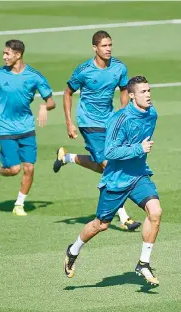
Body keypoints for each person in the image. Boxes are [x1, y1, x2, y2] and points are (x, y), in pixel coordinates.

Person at [63, 76, 161, 286]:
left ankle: (143, 263)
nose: (148, 95)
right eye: (143, 92)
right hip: (116, 180)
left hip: (138, 175)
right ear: (132, 95)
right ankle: (73, 250)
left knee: (155, 212)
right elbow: (109, 151)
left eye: (149, 90)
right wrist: (137, 149)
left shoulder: (152, 114)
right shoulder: (120, 119)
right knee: (101, 225)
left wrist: (138, 154)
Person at [53, 30, 141, 231]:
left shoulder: (119, 67)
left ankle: (67, 158)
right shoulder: (84, 70)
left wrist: (124, 114)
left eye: (110, 45)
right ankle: (124, 217)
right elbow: (67, 93)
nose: (108, 49)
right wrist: (69, 122)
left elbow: (124, 90)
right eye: (104, 46)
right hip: (88, 122)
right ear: (95, 48)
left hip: (110, 121)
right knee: (109, 165)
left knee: (106, 166)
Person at [0, 39, 56, 216]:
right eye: (4, 53)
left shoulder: (34, 76)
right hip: (5, 128)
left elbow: (51, 101)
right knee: (14, 169)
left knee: (29, 168)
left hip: (26, 127)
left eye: (7, 53)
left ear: (18, 55)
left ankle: (19, 204)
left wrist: (43, 107)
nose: (4, 57)